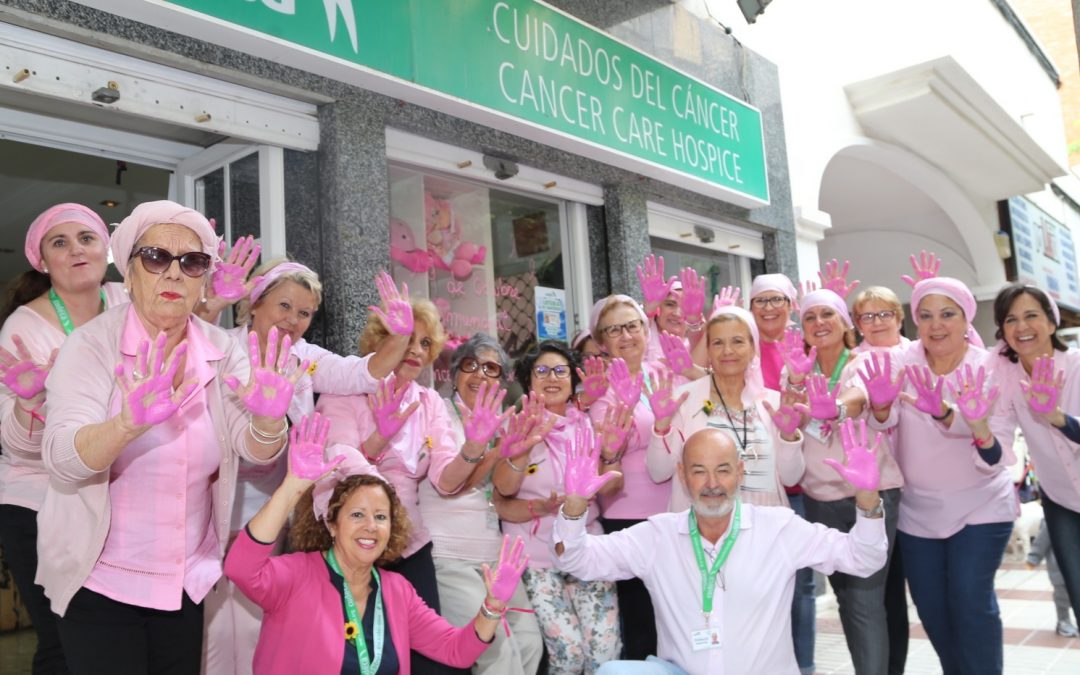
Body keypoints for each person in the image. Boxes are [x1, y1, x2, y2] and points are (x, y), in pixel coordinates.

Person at [37, 200, 301, 674]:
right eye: (156, 257)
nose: (175, 273)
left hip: (184, 580)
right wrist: (125, 425)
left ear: (204, 280)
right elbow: (60, 458)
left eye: (193, 261)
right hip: (98, 579)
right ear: (131, 272)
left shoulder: (222, 349)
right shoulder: (90, 346)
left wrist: (268, 420)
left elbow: (256, 452)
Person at [203, 260, 412, 675]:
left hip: (267, 513)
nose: (292, 320)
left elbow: (362, 373)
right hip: (211, 507)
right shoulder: (220, 347)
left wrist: (401, 337)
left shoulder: (303, 358)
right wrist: (210, 303)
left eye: (304, 313)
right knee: (212, 635)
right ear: (255, 303)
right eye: (284, 306)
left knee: (250, 628)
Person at [552, 423, 888, 674]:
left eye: (723, 470)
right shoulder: (658, 536)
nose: (712, 484)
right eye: (699, 471)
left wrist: (868, 500)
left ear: (740, 472)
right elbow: (577, 559)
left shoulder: (779, 529)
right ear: (683, 475)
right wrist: (574, 506)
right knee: (614, 672)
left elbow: (864, 558)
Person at [224, 414, 528, 675]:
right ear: (331, 523)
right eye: (357, 514)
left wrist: (492, 607)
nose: (371, 526)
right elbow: (240, 568)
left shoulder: (397, 591)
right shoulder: (297, 575)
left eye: (381, 516)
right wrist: (291, 486)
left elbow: (455, 650)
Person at [0, 203, 127, 674]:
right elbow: (20, 447)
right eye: (60, 242)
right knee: (63, 643)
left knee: (109, 641)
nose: (76, 249)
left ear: (106, 250)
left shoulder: (128, 301)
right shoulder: (23, 328)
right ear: (42, 260)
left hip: (109, 497)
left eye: (87, 238)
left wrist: (211, 302)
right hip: (38, 501)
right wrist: (30, 405)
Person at [874, 277, 1017, 675]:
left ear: (966, 316)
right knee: (933, 610)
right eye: (926, 315)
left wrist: (948, 414)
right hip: (919, 512)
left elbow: (996, 452)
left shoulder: (990, 367)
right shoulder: (903, 363)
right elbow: (882, 421)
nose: (937, 325)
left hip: (981, 504)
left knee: (970, 601)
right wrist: (882, 408)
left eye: (948, 314)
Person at [316, 295, 456, 675]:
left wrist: (478, 449)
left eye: (425, 343)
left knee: (432, 660)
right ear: (381, 339)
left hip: (411, 545)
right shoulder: (343, 390)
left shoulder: (429, 403)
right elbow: (338, 457)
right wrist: (378, 439)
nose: (415, 349)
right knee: (359, 658)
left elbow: (445, 478)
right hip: (354, 543)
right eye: (408, 338)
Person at [783, 288, 904, 675]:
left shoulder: (866, 360)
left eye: (827, 315)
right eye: (810, 317)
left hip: (870, 495)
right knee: (849, 600)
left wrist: (834, 407)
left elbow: (859, 396)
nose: (819, 323)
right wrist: (797, 388)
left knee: (864, 602)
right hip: (819, 498)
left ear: (845, 322)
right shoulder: (796, 371)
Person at [493, 339, 628, 674]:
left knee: (605, 653)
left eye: (559, 370)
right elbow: (503, 491)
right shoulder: (514, 426)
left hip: (586, 546)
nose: (551, 377)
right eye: (541, 370)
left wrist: (608, 461)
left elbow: (613, 483)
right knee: (568, 654)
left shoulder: (587, 425)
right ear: (527, 380)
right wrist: (524, 451)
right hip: (536, 557)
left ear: (571, 381)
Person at [417, 334, 544, 674]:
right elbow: (448, 484)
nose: (480, 375)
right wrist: (490, 451)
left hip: (493, 556)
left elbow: (504, 489)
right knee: (496, 655)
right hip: (451, 555)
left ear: (502, 381)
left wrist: (520, 451)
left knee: (530, 641)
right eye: (470, 366)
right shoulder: (438, 412)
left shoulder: (502, 424)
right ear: (454, 375)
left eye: (491, 368)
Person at [588, 294, 688, 661]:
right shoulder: (598, 389)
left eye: (632, 325)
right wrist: (625, 406)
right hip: (626, 515)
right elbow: (603, 451)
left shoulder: (667, 373)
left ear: (647, 330)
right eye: (614, 329)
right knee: (641, 620)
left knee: (679, 614)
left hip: (676, 509)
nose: (626, 335)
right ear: (601, 341)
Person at [647, 305, 805, 511]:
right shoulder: (684, 400)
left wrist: (789, 436)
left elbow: (791, 478)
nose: (727, 351)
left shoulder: (774, 404)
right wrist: (661, 428)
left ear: (753, 348)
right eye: (718, 343)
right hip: (701, 527)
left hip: (765, 526)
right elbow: (659, 473)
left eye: (738, 341)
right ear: (709, 351)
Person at [991, 283, 1080, 642]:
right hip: (1061, 502)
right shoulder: (1008, 379)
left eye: (1031, 315)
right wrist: (969, 426)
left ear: (1051, 323)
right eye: (1011, 319)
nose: (1021, 326)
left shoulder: (1075, 365)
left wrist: (1057, 417)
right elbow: (995, 441)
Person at [849, 284, 910, 674]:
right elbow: (855, 400)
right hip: (883, 484)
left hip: (926, 483)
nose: (876, 322)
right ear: (857, 324)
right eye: (867, 316)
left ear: (899, 318)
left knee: (901, 590)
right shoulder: (855, 361)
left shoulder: (916, 354)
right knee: (883, 592)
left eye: (884, 313)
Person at [1026, 518, 1078, 637]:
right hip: (1060, 566)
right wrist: (1034, 557)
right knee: (1062, 595)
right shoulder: (1054, 518)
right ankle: (1063, 621)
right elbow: (1042, 540)